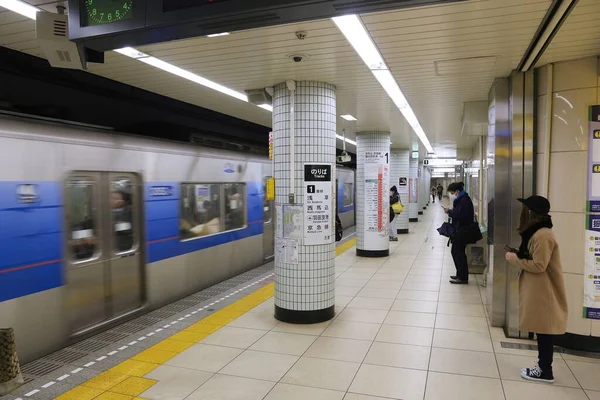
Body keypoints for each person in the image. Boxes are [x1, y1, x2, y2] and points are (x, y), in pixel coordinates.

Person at [505, 196, 568, 384]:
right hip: (539, 288)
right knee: (542, 330)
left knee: (545, 330)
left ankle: (545, 370)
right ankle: (542, 367)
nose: (523, 213)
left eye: (526, 209)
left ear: (532, 213)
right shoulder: (536, 233)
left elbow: (540, 265)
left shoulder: (543, 235)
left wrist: (513, 259)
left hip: (544, 290)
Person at [443, 182, 474, 284]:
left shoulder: (464, 200)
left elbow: (460, 215)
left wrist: (450, 212)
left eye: (453, 192)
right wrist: (451, 211)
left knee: (458, 253)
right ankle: (460, 274)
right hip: (459, 229)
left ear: (457, 191)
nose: (452, 194)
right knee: (456, 252)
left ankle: (463, 277)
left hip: (463, 230)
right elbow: (459, 213)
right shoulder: (462, 199)